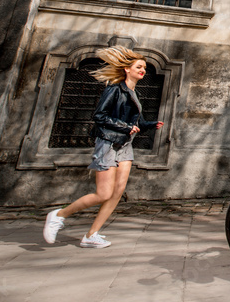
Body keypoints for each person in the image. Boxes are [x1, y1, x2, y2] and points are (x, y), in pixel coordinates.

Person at [42, 47, 164, 248]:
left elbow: (137, 121)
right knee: (104, 194)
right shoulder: (115, 89)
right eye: (139, 67)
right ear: (127, 69)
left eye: (144, 67)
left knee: (118, 192)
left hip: (124, 145)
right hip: (108, 143)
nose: (143, 70)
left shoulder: (133, 92)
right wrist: (126, 126)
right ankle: (58, 215)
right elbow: (99, 116)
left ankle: (91, 235)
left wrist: (151, 124)